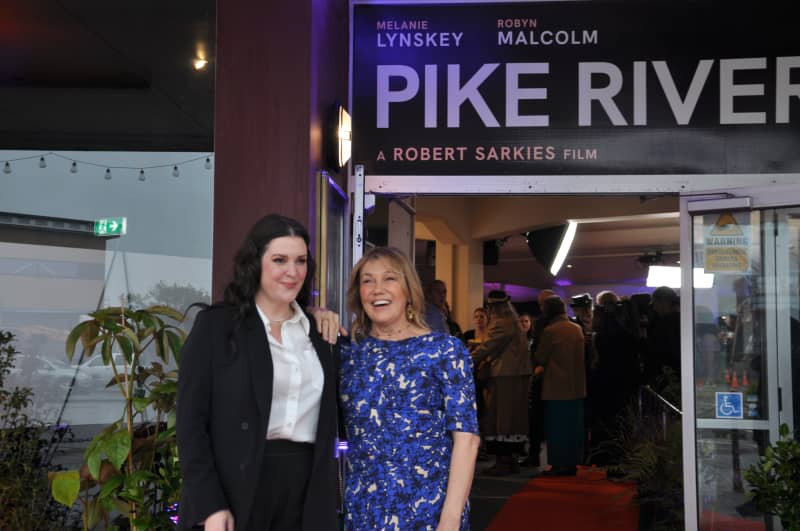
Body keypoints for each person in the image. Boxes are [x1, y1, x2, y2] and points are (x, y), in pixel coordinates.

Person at [176, 214, 342, 531]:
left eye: (301, 261)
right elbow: (190, 424)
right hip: (236, 487)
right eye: (279, 260)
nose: (292, 272)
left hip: (306, 492)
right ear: (256, 262)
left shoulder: (322, 336)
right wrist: (210, 504)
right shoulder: (217, 327)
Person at [339, 247, 480, 530]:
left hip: (429, 510)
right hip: (364, 511)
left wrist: (450, 519)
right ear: (358, 293)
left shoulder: (444, 351)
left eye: (389, 279)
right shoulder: (347, 354)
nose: (377, 289)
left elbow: (466, 439)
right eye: (367, 281)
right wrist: (317, 315)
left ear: (408, 290)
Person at [471, 290, 532, 476]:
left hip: (505, 376)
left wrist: (464, 360)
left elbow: (487, 347)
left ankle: (503, 461)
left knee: (501, 419)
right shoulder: (513, 322)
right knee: (513, 418)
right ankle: (511, 459)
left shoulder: (501, 324)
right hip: (515, 375)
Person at [534, 295, 587, 476]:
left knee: (556, 428)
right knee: (573, 427)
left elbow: (540, 357)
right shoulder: (577, 329)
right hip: (577, 385)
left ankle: (558, 465)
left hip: (556, 386)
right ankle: (571, 463)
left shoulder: (550, 331)